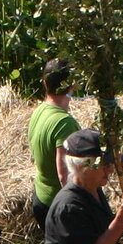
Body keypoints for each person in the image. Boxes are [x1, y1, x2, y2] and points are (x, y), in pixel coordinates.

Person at [27, 58, 80, 230]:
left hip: (41, 196)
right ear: (72, 86)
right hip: (57, 205)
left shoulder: (39, 111)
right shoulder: (64, 123)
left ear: (44, 82)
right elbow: (64, 174)